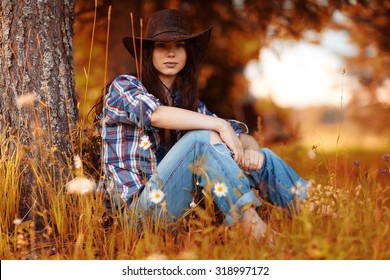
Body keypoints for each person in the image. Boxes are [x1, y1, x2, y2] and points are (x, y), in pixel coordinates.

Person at [96, 9, 310, 241]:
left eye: (179, 46)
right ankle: (251, 226)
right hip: (136, 217)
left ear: (187, 53)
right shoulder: (124, 86)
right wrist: (219, 125)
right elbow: (155, 115)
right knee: (200, 139)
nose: (171, 53)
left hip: (175, 208)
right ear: (148, 52)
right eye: (161, 46)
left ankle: (315, 212)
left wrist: (252, 151)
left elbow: (238, 135)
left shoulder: (188, 105)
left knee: (264, 157)